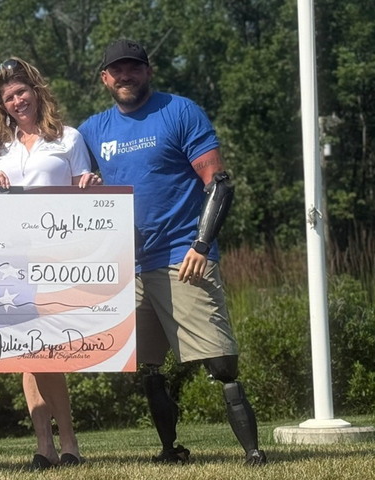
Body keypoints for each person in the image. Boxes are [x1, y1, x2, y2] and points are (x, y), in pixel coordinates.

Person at [78, 39, 267, 466]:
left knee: (220, 362)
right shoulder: (92, 130)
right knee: (148, 366)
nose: (125, 76)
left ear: (149, 71)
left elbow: (218, 182)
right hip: (130, 267)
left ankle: (253, 452)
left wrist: (201, 244)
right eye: (116, 70)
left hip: (183, 256)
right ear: (105, 78)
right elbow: (73, 179)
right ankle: (170, 449)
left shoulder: (179, 111)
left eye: (133, 68)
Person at [0, 57, 99, 470]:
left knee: (48, 351)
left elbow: (86, 191)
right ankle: (44, 446)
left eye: (21, 93)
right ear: (2, 105)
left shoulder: (69, 138)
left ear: (36, 91)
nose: (16, 101)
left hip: (56, 258)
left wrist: (89, 184)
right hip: (9, 261)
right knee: (26, 353)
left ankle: (69, 443)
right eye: (8, 98)